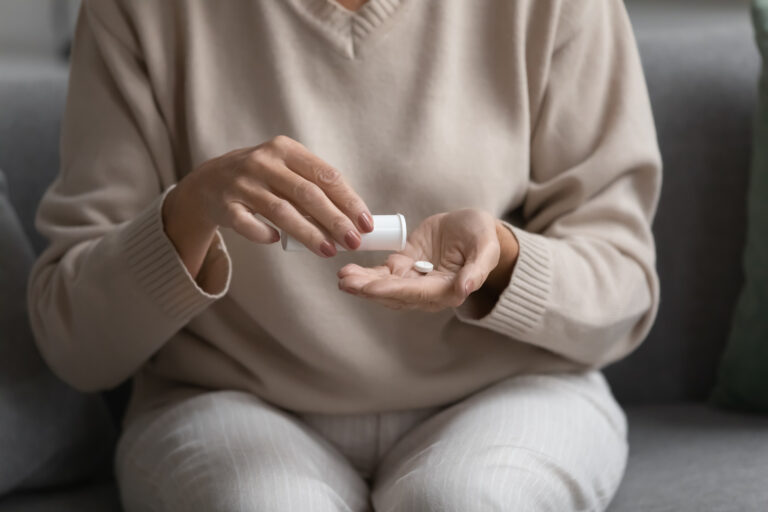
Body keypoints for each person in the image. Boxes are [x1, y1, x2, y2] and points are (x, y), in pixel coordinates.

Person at [27, 0, 661, 510]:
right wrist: (189, 211)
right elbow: (75, 344)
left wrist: (499, 263)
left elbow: (623, 289)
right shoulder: (136, 11)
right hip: (230, 402)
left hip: (513, 392)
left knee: (464, 501)